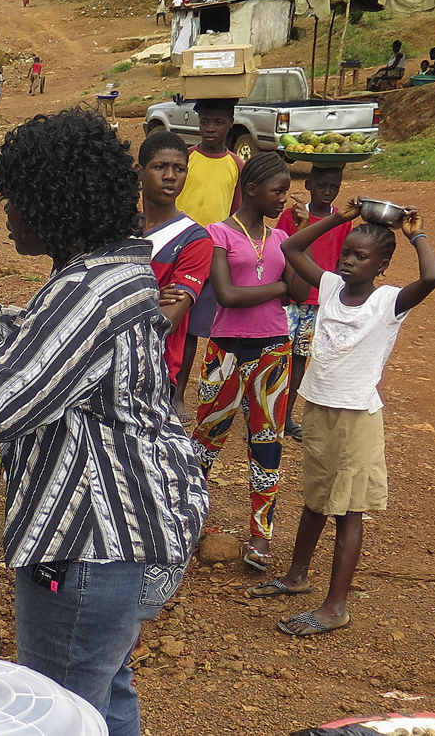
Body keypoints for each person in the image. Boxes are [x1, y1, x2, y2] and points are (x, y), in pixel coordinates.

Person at [0, 110, 207, 735]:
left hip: (85, 549)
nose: (8, 216)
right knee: (104, 697)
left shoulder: (89, 292)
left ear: (51, 203)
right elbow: (49, 349)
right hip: (122, 544)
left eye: (14, 200)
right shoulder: (112, 273)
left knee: (56, 712)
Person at [254, 198, 435, 636]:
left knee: (349, 511)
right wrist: (340, 219)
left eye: (361, 257)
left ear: (381, 265)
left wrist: (417, 235)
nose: (349, 262)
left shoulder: (389, 302)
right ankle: (296, 577)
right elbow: (292, 250)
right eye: (346, 254)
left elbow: (431, 277)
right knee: (316, 498)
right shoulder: (334, 287)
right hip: (319, 407)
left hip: (357, 416)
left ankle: (336, 606)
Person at [190, 153, 304, 572]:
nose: (283, 199)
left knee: (267, 442)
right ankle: (191, 519)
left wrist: (301, 235)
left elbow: (294, 290)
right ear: (252, 190)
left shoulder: (279, 239)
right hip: (225, 348)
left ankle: (261, 536)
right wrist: (277, 287)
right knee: (207, 438)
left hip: (274, 347)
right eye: (278, 191)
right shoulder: (217, 234)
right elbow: (227, 295)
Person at [176, 99, 243, 417]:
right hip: (177, 249)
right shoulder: (186, 159)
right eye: (205, 122)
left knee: (192, 330)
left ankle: (178, 395)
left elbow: (236, 213)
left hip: (211, 254)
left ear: (230, 124)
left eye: (218, 122)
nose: (210, 128)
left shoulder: (236, 166)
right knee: (168, 321)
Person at [274, 166, 351, 440]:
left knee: (299, 359)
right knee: (275, 357)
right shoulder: (292, 216)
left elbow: (344, 260)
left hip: (319, 302)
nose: (328, 191)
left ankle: (286, 416)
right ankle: (266, 410)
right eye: (322, 185)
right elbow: (281, 252)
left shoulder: (343, 220)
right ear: (309, 184)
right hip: (291, 299)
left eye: (334, 186)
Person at [138, 131, 212, 406]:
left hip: (154, 372)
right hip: (102, 363)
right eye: (160, 167)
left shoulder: (195, 239)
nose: (170, 176)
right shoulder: (119, 228)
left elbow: (167, 320)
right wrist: (150, 298)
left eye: (179, 169)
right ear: (140, 172)